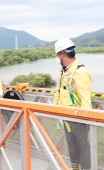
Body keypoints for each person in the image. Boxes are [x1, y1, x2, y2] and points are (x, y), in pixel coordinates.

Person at [53, 38, 92, 170]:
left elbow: (86, 100)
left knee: (83, 147)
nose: (57, 57)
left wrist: (84, 119)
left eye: (57, 55)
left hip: (78, 119)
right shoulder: (64, 71)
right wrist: (52, 108)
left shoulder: (79, 72)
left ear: (63, 54)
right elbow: (59, 91)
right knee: (71, 146)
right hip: (67, 117)